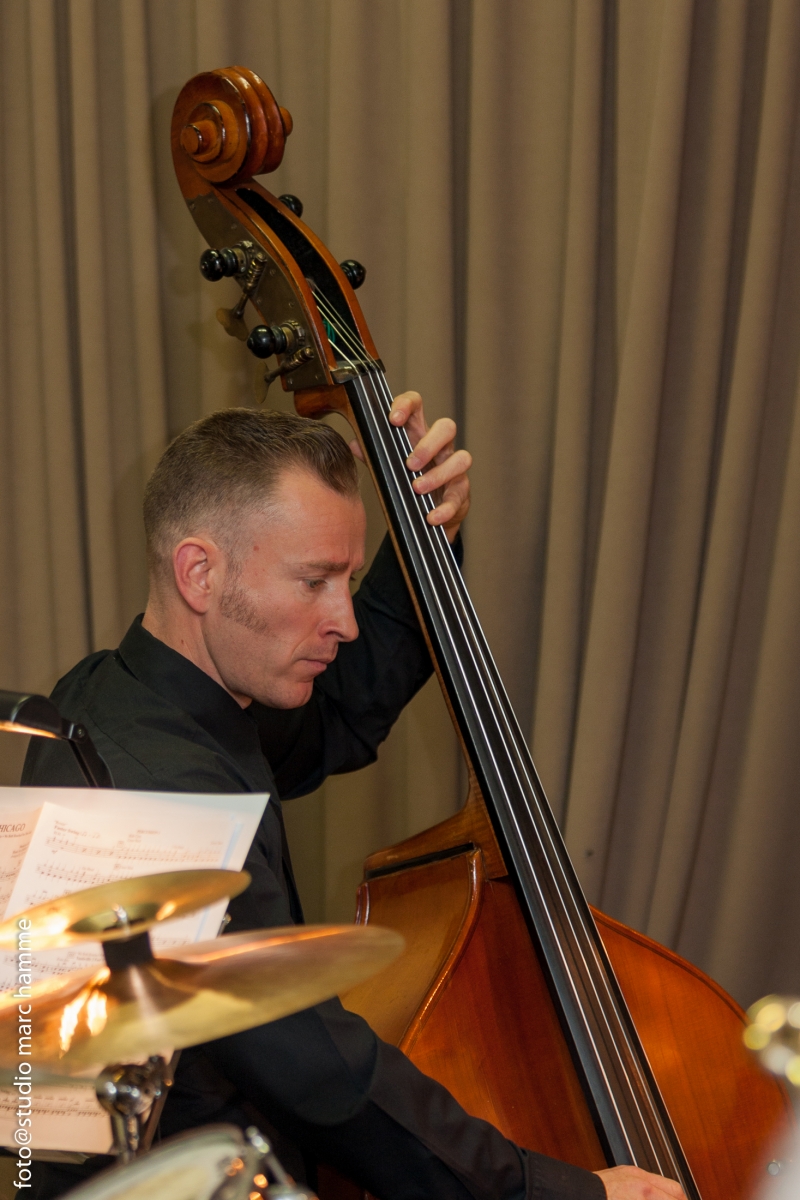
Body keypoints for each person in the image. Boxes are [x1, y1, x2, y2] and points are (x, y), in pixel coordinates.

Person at [24, 394, 684, 1200]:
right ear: (200, 573)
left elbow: (339, 714)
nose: (343, 619)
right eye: (314, 580)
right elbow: (324, 1075)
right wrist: (563, 1191)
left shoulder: (120, 697)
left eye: (347, 577)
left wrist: (425, 537)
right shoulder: (161, 800)